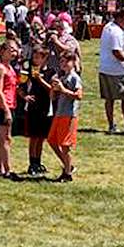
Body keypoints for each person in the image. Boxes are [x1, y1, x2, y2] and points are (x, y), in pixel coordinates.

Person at [99, 8, 124, 134]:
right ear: (121, 18)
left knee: (109, 99)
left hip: (105, 68)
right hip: (117, 70)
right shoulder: (116, 32)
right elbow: (117, 52)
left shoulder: (108, 27)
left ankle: (112, 126)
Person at [47, 52, 82, 182]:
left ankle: (67, 174)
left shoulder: (74, 78)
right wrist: (53, 89)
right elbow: (53, 97)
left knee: (65, 145)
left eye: (65, 62)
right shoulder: (62, 77)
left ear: (73, 62)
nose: (63, 65)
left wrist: (63, 89)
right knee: (52, 140)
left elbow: (79, 95)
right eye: (61, 62)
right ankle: (69, 165)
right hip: (59, 113)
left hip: (69, 114)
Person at [22, 45, 54, 176]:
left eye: (37, 57)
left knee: (41, 137)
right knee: (34, 136)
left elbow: (51, 89)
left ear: (44, 58)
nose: (34, 60)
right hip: (33, 106)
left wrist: (41, 80)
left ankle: (38, 161)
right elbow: (20, 85)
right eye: (34, 57)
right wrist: (25, 96)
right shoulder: (27, 70)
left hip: (45, 106)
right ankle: (32, 163)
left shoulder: (50, 72)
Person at [0, 40, 19, 178]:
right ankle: (7, 170)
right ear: (2, 52)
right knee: (6, 138)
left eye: (15, 50)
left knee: (1, 138)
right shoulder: (1, 68)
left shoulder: (11, 68)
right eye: (11, 50)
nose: (14, 53)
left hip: (10, 103)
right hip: (4, 105)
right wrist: (6, 109)